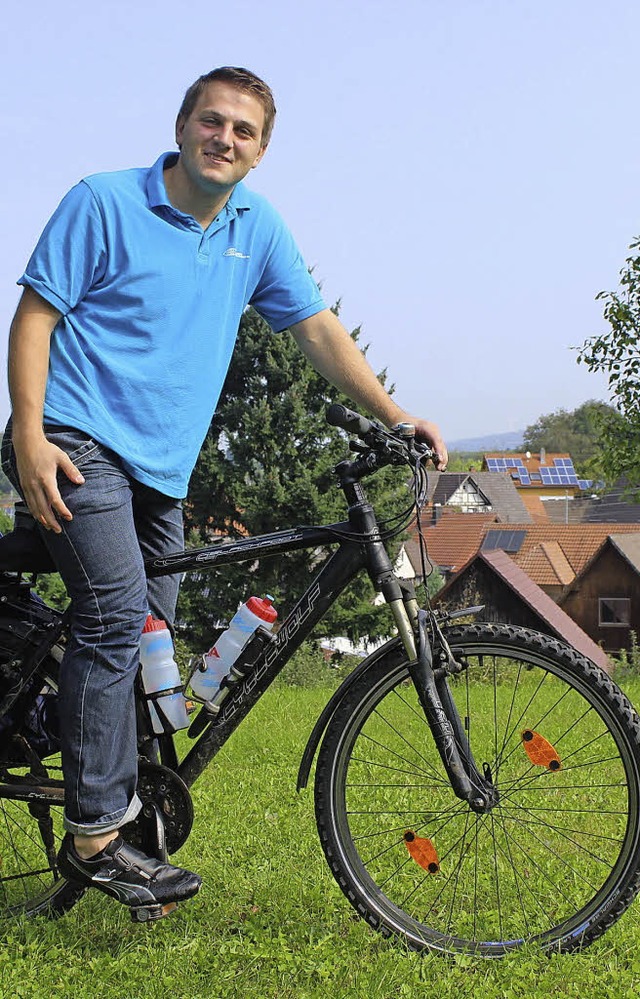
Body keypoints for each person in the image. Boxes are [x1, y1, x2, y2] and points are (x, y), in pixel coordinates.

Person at [3, 67, 447, 914]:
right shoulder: (102, 201)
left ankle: (105, 788)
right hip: (74, 440)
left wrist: (396, 414)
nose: (225, 139)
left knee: (145, 647)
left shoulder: (256, 227)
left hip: (161, 473)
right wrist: (27, 431)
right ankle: (97, 833)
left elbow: (316, 327)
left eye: (244, 132)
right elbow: (35, 317)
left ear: (261, 151)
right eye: (213, 122)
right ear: (180, 125)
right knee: (113, 611)